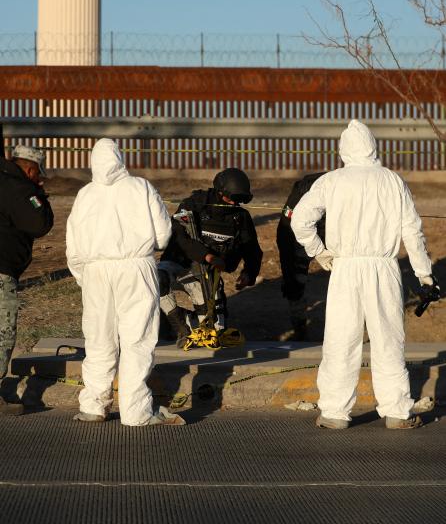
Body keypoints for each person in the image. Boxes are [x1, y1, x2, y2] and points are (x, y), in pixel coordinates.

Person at [291, 120, 438, 430]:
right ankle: (397, 410)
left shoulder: (332, 181)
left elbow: (300, 220)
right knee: (388, 341)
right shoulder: (392, 181)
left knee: (340, 340)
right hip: (384, 268)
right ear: (373, 146)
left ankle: (334, 412)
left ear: (343, 149)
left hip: (345, 269)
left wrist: (319, 251)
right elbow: (412, 232)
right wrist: (425, 274)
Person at [66, 138, 184, 426]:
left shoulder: (85, 195)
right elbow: (163, 235)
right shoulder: (140, 187)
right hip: (135, 268)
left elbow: (73, 247)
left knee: (98, 339)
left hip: (95, 271)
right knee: (137, 339)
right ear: (120, 158)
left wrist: (85, 277)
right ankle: (136, 411)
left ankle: (94, 404)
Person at [158, 168, 263, 347]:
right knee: (157, 278)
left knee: (214, 337)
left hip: (205, 278)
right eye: (231, 198)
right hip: (178, 266)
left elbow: (252, 249)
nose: (234, 203)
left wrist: (249, 273)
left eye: (239, 200)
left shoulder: (240, 217)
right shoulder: (193, 205)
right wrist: (206, 255)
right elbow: (178, 236)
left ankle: (190, 321)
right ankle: (179, 326)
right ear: (219, 192)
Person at [0, 144, 53, 414]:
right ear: (30, 170)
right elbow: (39, 224)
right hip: (2, 270)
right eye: (37, 175)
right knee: (3, 333)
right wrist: (40, 195)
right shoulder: (20, 190)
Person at [276, 173, 325, 340]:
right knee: (295, 282)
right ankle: (299, 326)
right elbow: (286, 228)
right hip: (297, 235)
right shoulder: (301, 192)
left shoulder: (344, 188)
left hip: (334, 231)